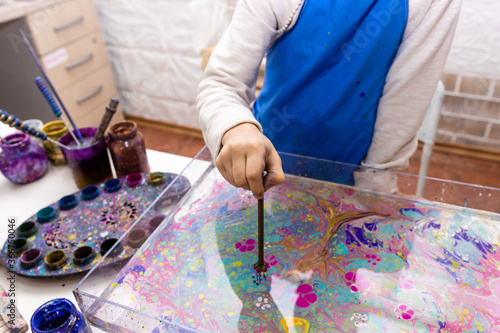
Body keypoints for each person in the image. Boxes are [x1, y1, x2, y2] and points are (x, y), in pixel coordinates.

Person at [197, 0, 462, 199]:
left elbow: (404, 104)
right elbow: (222, 83)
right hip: (264, 173)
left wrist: (374, 189)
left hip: (353, 180)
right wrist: (236, 129)